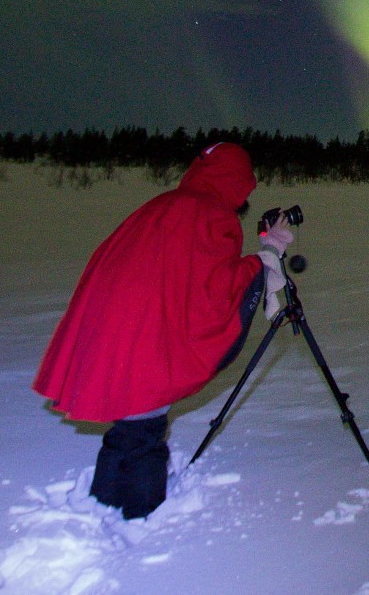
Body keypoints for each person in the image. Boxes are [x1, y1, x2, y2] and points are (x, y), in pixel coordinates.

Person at [32, 140, 293, 520]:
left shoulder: (162, 204)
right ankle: (143, 516)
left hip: (116, 329)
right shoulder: (212, 216)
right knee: (144, 432)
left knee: (129, 425)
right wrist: (265, 259)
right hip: (147, 336)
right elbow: (216, 289)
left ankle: (104, 500)